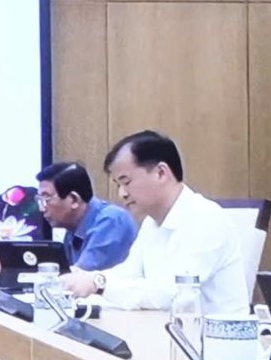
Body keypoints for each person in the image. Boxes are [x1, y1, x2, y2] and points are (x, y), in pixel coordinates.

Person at [57, 131, 248, 316]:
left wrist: (98, 283)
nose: (122, 194)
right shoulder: (152, 222)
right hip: (163, 328)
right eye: (118, 185)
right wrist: (85, 278)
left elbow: (172, 293)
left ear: (161, 173)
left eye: (126, 182)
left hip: (210, 336)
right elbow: (128, 273)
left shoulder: (205, 219)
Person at [34, 161, 138, 271]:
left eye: (46, 199)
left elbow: (80, 276)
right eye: (39, 200)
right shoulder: (72, 229)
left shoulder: (111, 221)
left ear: (74, 199)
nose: (42, 209)